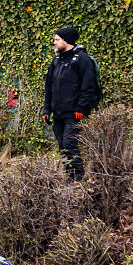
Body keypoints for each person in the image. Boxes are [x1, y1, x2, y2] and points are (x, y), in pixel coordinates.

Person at [42, 26, 101, 181]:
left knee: (69, 144)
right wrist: (46, 110)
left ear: (66, 40)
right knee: (62, 146)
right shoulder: (56, 61)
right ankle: (70, 176)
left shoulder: (82, 59)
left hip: (74, 113)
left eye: (57, 39)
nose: (54, 42)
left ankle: (77, 177)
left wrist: (81, 108)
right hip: (58, 113)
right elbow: (49, 87)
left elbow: (89, 86)